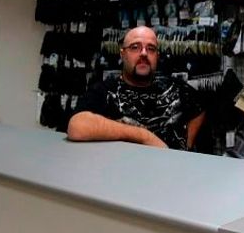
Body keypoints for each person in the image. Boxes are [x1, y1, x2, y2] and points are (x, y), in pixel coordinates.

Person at [67, 26, 205, 150]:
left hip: (172, 167)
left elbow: (200, 108)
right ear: (122, 54)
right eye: (135, 47)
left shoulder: (176, 87)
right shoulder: (104, 91)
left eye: (151, 48)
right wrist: (144, 136)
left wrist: (186, 146)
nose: (144, 53)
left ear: (157, 56)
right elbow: (77, 127)